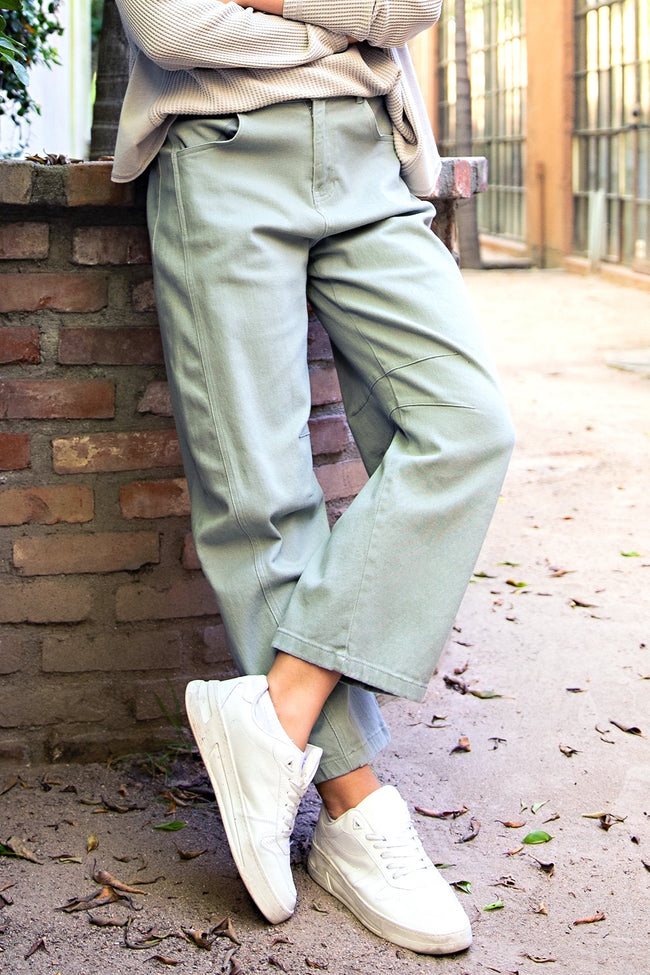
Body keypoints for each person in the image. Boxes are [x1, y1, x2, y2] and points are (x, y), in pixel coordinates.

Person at [113, 0, 514, 955]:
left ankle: (277, 712)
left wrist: (283, 7)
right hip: (218, 150)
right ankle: (356, 809)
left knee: (466, 424)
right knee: (261, 495)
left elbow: (412, 7)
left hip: (368, 159)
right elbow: (172, 28)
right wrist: (342, 26)